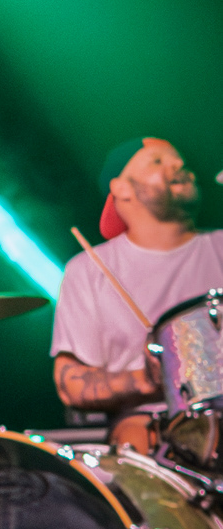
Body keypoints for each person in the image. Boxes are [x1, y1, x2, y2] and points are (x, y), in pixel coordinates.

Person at [52, 137, 223, 448]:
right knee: (135, 438)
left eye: (179, 160)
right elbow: (70, 385)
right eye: (157, 161)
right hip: (149, 424)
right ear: (122, 189)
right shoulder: (88, 269)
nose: (179, 164)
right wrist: (148, 379)